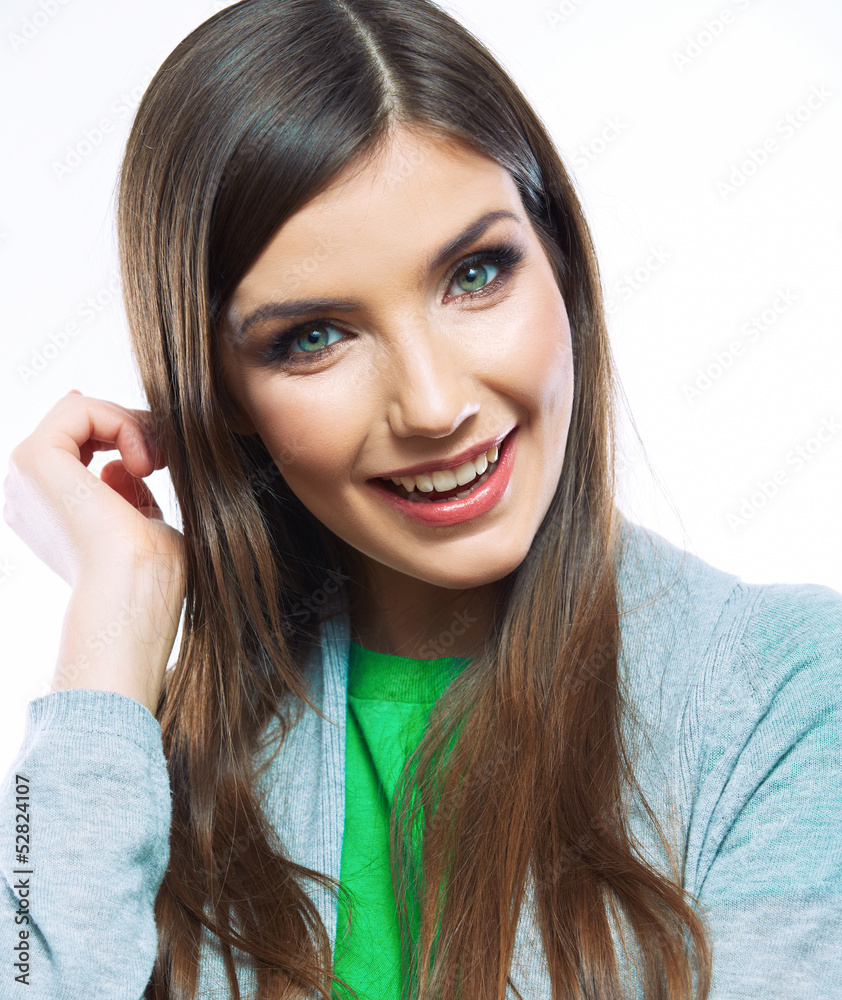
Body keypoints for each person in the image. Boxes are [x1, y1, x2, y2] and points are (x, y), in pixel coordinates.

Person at [2, 1, 840, 998]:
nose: (436, 405)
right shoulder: (146, 763)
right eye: (313, 336)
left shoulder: (780, 694)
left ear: (559, 260)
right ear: (221, 391)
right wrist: (116, 622)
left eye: (476, 273)